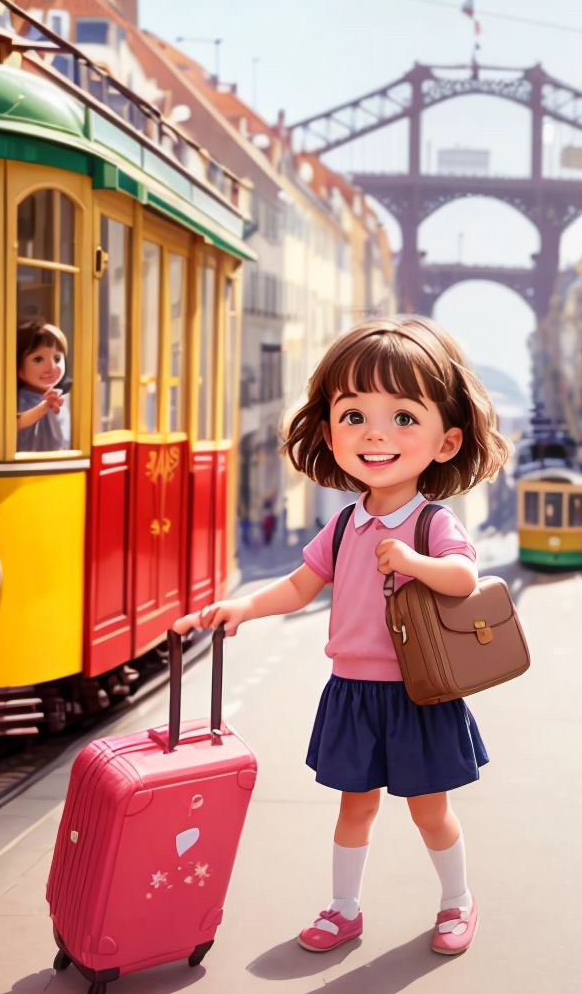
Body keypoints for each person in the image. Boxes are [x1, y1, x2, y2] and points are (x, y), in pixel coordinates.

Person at [174, 316, 511, 957]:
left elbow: (464, 578)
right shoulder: (344, 524)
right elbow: (301, 586)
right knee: (353, 809)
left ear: (446, 442)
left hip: (418, 694)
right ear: (329, 432)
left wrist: (412, 562)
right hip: (353, 692)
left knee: (428, 810)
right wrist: (241, 607)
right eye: (354, 415)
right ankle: (344, 909)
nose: (376, 433)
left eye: (404, 418)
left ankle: (456, 901)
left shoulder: (430, 521)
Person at [16, 320, 70, 451]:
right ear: (18, 367)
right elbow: (16, 423)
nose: (51, 367)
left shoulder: (62, 397)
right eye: (38, 359)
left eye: (57, 358)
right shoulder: (20, 400)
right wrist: (45, 406)